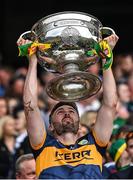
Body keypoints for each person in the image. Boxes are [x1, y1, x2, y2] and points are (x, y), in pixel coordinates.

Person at [17, 33, 119, 178]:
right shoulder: (43, 145)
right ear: (50, 125)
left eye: (72, 111)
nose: (66, 113)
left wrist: (106, 59)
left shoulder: (94, 143)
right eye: (60, 112)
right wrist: (32, 59)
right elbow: (30, 107)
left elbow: (110, 104)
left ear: (79, 123)